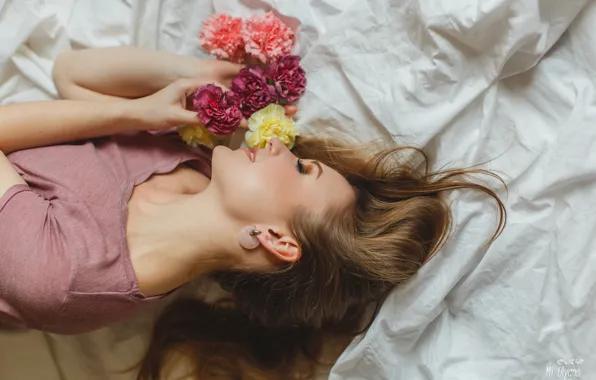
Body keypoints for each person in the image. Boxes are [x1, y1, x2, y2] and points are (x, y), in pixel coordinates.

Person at [0, 47, 506, 379]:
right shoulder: (194, 169)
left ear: (277, 239)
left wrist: (137, 113)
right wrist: (186, 78)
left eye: (304, 170)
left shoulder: (68, 277)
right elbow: (71, 73)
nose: (284, 150)